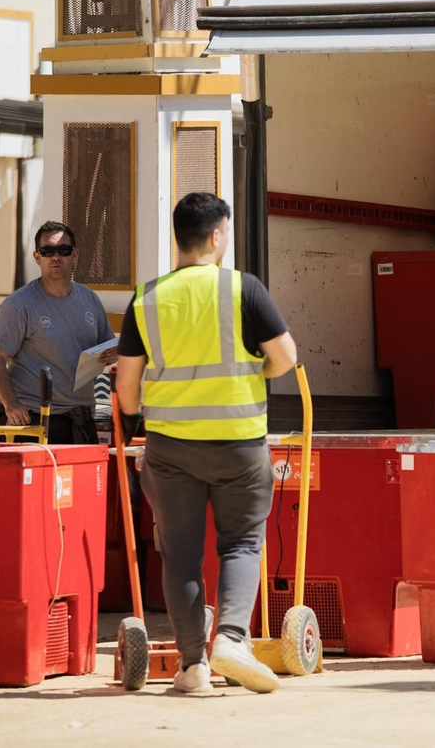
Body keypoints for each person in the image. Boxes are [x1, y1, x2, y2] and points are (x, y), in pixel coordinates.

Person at [114, 193, 298, 696]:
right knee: (241, 543)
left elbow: (126, 386)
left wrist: (137, 417)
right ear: (217, 236)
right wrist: (254, 373)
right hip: (239, 442)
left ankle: (193, 664)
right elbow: (285, 357)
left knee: (179, 554)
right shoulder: (243, 288)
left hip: (171, 447)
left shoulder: (147, 297)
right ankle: (232, 640)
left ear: (180, 237)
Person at [0, 220, 116, 444]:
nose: (55, 257)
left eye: (63, 250)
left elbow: (108, 346)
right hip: (30, 418)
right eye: (47, 251)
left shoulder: (89, 298)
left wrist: (112, 354)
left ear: (75, 254)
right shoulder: (18, 305)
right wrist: (11, 403)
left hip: (79, 419)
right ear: (37, 257)